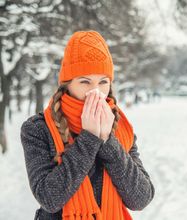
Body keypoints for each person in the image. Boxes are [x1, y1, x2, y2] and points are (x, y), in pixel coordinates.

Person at [20, 30, 155, 220]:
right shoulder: (38, 129)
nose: (96, 92)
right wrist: (90, 138)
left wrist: (108, 141)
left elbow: (141, 198)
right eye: (85, 81)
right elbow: (49, 198)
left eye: (103, 82)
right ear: (67, 84)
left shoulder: (121, 129)